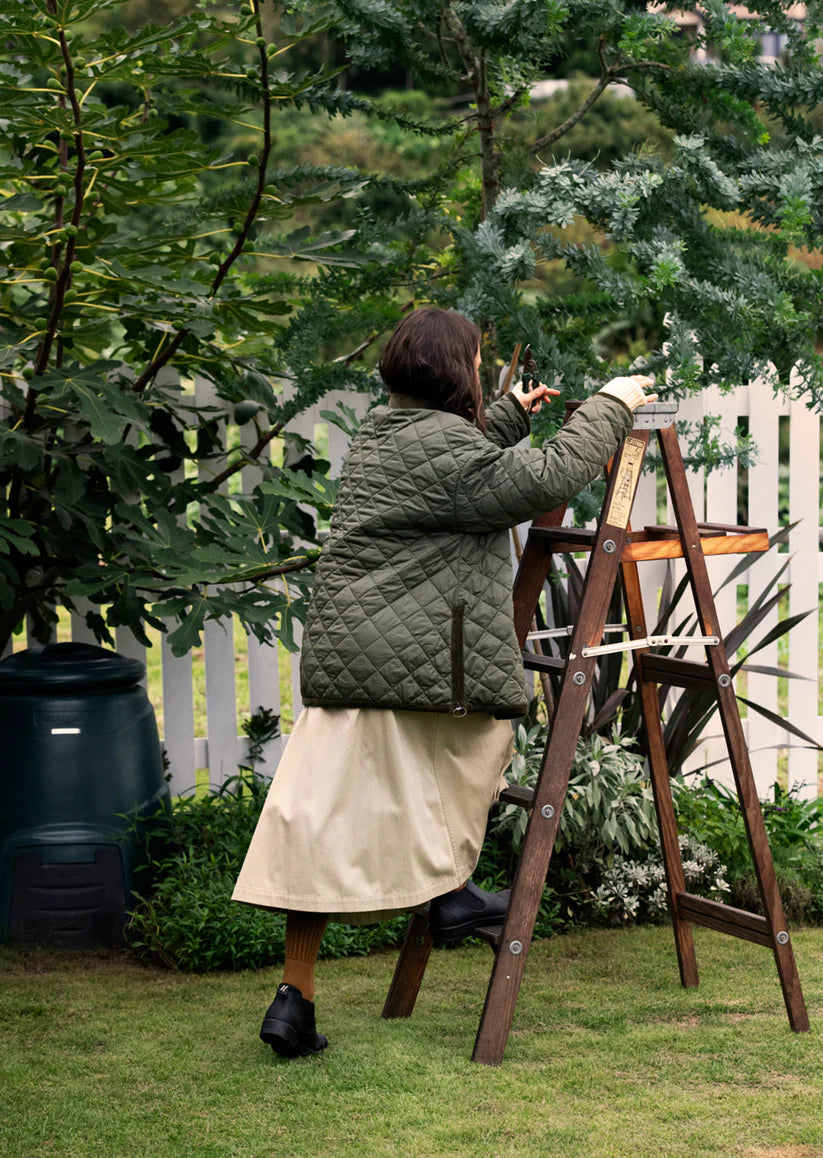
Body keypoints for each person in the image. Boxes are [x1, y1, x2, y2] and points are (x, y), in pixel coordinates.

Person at [232, 307, 657, 1058]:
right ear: (455, 372)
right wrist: (613, 402)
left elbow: (451, 469)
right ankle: (451, 899)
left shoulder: (383, 434)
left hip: (356, 665)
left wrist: (504, 417)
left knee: (318, 834)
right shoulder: (444, 456)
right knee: (476, 752)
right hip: (416, 669)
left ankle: (294, 997)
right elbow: (547, 476)